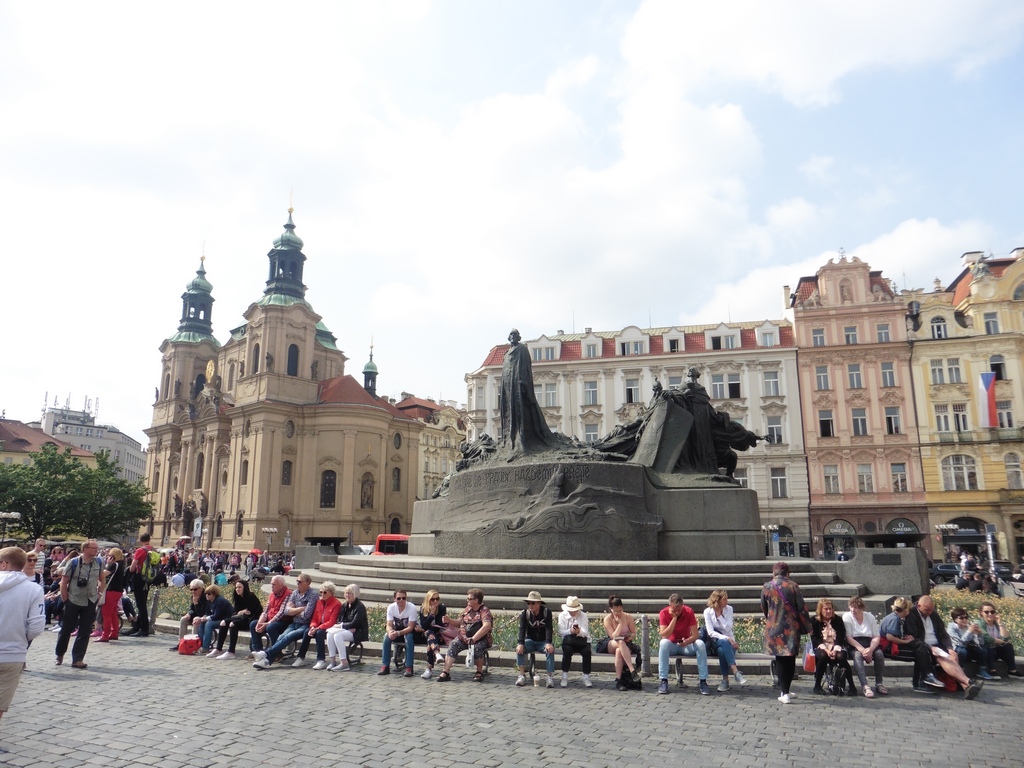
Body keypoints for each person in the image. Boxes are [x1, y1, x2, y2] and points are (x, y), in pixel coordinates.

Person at [904, 595, 982, 700]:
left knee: (952, 656)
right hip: (923, 645)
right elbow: (914, 637)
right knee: (942, 658)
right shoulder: (912, 614)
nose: (929, 612)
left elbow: (943, 634)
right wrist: (930, 648)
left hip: (938, 644)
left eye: (931, 610)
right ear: (919, 606)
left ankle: (967, 685)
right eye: (927, 610)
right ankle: (968, 682)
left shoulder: (933, 614)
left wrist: (949, 648)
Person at [0, 547, 45, 720]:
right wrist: (20, 638)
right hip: (13, 654)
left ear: (4, 564)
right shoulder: (33, 589)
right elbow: (37, 626)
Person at [761, 561, 810, 704]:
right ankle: (786, 691)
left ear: (774, 572)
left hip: (774, 628)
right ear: (787, 573)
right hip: (791, 628)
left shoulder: (767, 586)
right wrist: (808, 627)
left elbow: (764, 607)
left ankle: (785, 692)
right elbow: (802, 608)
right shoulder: (793, 586)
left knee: (780, 659)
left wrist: (771, 619)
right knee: (790, 658)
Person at [54, 539, 106, 669]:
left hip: (90, 600)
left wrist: (99, 593)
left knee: (85, 630)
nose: (96, 550)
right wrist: (66, 599)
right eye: (93, 548)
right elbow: (64, 582)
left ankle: (78, 659)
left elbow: (102, 579)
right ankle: (59, 654)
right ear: (85, 549)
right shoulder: (74, 562)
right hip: (73, 599)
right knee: (66, 629)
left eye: (96, 548)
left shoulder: (99, 562)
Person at [252, 574, 317, 669]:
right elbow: (287, 611)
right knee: (281, 637)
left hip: (305, 625)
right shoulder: (295, 593)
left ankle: (265, 654)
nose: (297, 583)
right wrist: (300, 609)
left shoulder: (313, 595)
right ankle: (267, 661)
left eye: (299, 581)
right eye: (297, 581)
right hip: (294, 623)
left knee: (288, 636)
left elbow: (307, 615)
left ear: (307, 583)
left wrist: (294, 610)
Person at [658, 593, 710, 696]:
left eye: (679, 609)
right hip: (671, 644)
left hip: (685, 645)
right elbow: (664, 635)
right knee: (663, 643)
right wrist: (674, 619)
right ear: (670, 606)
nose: (677, 612)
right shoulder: (663, 613)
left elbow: (695, 635)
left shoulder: (689, 611)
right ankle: (663, 680)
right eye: (674, 610)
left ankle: (703, 681)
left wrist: (686, 641)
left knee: (700, 644)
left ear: (683, 605)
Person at [437, 589, 492, 683]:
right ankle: (445, 672)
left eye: (469, 599)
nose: (467, 601)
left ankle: (479, 672)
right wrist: (449, 620)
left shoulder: (484, 611)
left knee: (477, 648)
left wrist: (474, 639)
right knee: (453, 644)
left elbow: (486, 626)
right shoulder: (467, 610)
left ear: (476, 600)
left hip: (480, 639)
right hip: (464, 638)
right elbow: (459, 623)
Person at [702, 590, 748, 692]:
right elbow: (710, 632)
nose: (727, 601)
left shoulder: (729, 609)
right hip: (715, 642)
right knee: (723, 642)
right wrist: (727, 638)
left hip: (728, 646)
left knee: (722, 650)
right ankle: (735, 672)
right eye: (724, 599)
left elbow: (728, 628)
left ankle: (725, 681)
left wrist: (719, 616)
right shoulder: (707, 612)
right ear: (717, 600)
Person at [843, 595, 888, 697]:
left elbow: (876, 636)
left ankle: (879, 683)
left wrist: (870, 650)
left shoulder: (869, 617)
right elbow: (849, 637)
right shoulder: (847, 617)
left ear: (862, 608)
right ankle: (865, 685)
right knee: (857, 656)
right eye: (851, 607)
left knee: (879, 654)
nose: (853, 610)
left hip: (869, 643)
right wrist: (863, 650)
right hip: (855, 644)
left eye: (856, 607)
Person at [810, 599, 855, 695]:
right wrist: (826, 650)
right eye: (826, 609)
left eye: (830, 609)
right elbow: (815, 638)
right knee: (822, 656)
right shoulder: (814, 620)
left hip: (835, 646)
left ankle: (852, 686)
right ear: (820, 610)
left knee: (841, 657)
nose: (828, 611)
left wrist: (835, 650)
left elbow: (840, 637)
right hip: (821, 646)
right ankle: (817, 685)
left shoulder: (838, 620)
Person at [213, 579, 263, 660]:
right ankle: (218, 649)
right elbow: (237, 613)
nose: (237, 589)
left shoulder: (251, 596)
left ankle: (231, 651)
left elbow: (250, 612)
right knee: (223, 622)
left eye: (240, 587)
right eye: (236, 587)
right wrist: (242, 612)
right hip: (242, 618)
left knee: (233, 624)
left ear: (245, 588)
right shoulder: (238, 598)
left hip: (251, 621)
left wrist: (242, 612)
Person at [295, 581, 342, 669]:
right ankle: (300, 657)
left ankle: (321, 660)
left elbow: (332, 622)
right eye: (320, 592)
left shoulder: (336, 604)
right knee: (306, 632)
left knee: (319, 633)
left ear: (331, 593)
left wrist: (317, 628)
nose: (322, 594)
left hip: (330, 628)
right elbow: (315, 618)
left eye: (325, 592)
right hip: (318, 626)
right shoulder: (319, 602)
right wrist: (313, 626)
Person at [515, 590, 555, 688]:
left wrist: (548, 642)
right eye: (528, 603)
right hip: (531, 640)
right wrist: (521, 643)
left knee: (550, 650)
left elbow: (548, 628)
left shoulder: (546, 612)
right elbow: (522, 629)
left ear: (539, 603)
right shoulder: (525, 613)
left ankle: (549, 677)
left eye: (533, 603)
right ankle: (521, 675)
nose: (530, 605)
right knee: (519, 649)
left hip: (543, 641)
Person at [601, 595, 641, 691]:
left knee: (619, 650)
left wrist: (630, 637)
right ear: (611, 609)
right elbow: (613, 636)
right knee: (619, 641)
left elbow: (633, 633)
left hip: (625, 643)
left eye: (620, 610)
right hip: (611, 643)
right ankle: (632, 670)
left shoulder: (627, 617)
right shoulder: (607, 619)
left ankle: (619, 680)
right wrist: (619, 624)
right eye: (615, 611)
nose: (618, 613)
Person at [325, 583, 369, 672]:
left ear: (355, 595)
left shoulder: (360, 607)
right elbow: (340, 619)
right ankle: (332, 661)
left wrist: (342, 626)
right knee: (330, 634)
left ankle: (344, 663)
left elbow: (356, 622)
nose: (347, 595)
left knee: (338, 636)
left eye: (350, 593)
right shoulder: (345, 605)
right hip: (348, 630)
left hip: (358, 632)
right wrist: (345, 626)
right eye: (346, 593)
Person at [974, 601, 1023, 677]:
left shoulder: (996, 623)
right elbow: (985, 637)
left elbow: (1006, 638)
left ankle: (1012, 670)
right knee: (990, 647)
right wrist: (998, 641)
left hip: (995, 650)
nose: (990, 614)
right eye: (986, 612)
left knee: (1008, 646)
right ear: (981, 613)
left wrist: (1000, 623)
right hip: (984, 651)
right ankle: (992, 670)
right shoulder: (978, 622)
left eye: (992, 612)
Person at [247, 575, 291, 659]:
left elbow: (282, 613)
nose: (271, 586)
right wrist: (260, 622)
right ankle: (257, 651)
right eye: (271, 584)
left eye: (274, 584)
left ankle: (277, 652)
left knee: (271, 627)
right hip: (270, 619)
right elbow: (266, 611)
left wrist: (268, 623)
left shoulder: (288, 594)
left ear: (281, 585)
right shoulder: (272, 595)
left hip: (283, 621)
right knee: (253, 624)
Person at [378, 589, 418, 677]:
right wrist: (390, 632)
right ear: (394, 599)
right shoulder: (391, 607)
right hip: (396, 631)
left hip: (408, 632)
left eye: (404, 598)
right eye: (399, 598)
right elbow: (388, 625)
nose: (401, 601)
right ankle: (385, 665)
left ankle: (409, 667)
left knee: (409, 638)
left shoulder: (411, 607)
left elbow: (410, 627)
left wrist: (398, 633)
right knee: (386, 637)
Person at [557, 595, 593, 688]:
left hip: (581, 640)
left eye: (575, 610)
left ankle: (586, 677)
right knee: (567, 651)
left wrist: (579, 631)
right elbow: (561, 632)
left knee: (587, 652)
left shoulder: (583, 615)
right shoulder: (562, 615)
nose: (573, 612)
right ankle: (564, 676)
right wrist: (570, 631)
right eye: (571, 610)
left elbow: (585, 632)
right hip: (569, 640)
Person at [946, 607, 990, 679]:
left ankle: (981, 670)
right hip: (957, 650)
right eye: (961, 618)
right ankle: (961, 670)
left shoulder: (969, 626)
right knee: (962, 650)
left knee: (983, 650)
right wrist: (969, 632)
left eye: (966, 617)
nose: (965, 620)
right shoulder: (951, 628)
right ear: (955, 620)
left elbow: (980, 643)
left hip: (969, 649)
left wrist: (979, 634)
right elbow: (959, 643)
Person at [414, 589, 448, 680]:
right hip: (427, 635)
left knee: (430, 642)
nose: (436, 601)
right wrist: (432, 614)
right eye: (433, 599)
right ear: (428, 600)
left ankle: (429, 669)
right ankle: (437, 654)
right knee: (429, 634)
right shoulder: (423, 609)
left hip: (439, 636)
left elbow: (440, 626)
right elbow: (424, 625)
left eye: (437, 599)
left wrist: (428, 628)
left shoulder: (442, 608)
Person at [126, 533, 155, 637]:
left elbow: (132, 568)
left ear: (140, 540)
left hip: (139, 578)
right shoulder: (153, 549)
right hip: (148, 578)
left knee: (141, 605)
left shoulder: (140, 550)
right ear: (149, 539)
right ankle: (136, 627)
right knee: (142, 603)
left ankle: (144, 629)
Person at [98, 548, 128, 642]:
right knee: (113, 613)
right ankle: (114, 633)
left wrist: (107, 564)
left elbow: (102, 575)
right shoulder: (121, 565)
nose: (108, 557)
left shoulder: (114, 565)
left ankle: (105, 635)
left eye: (109, 555)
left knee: (106, 613)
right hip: (118, 591)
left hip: (111, 591)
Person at [173, 579, 210, 652]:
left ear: (201, 588)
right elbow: (191, 609)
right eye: (191, 589)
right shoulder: (193, 596)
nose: (193, 591)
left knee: (196, 619)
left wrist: (196, 603)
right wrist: (189, 613)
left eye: (195, 589)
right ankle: (181, 643)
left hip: (204, 617)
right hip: (195, 616)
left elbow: (201, 613)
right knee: (183, 620)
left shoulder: (206, 597)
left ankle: (193, 645)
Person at [196, 585, 233, 654]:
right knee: (202, 623)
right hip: (218, 619)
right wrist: (202, 618)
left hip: (225, 619)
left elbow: (216, 615)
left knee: (209, 624)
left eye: (209, 594)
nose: (207, 595)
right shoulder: (210, 601)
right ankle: (201, 644)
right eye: (206, 594)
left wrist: (205, 619)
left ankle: (205, 647)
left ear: (214, 594)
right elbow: (207, 612)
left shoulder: (220, 601)